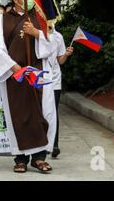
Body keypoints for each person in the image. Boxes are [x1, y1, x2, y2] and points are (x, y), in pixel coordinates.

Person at [0, 0, 56, 174]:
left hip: (38, 72)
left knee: (42, 113)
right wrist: (14, 67)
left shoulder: (39, 18)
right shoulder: (3, 20)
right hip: (15, 74)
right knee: (18, 114)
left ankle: (39, 158)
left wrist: (36, 33)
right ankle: (20, 158)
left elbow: (52, 45)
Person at [47, 24, 74, 158]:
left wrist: (67, 54)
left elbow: (60, 60)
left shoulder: (58, 37)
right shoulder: (36, 34)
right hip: (39, 80)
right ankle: (41, 143)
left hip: (54, 80)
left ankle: (54, 145)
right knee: (41, 112)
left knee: (53, 111)